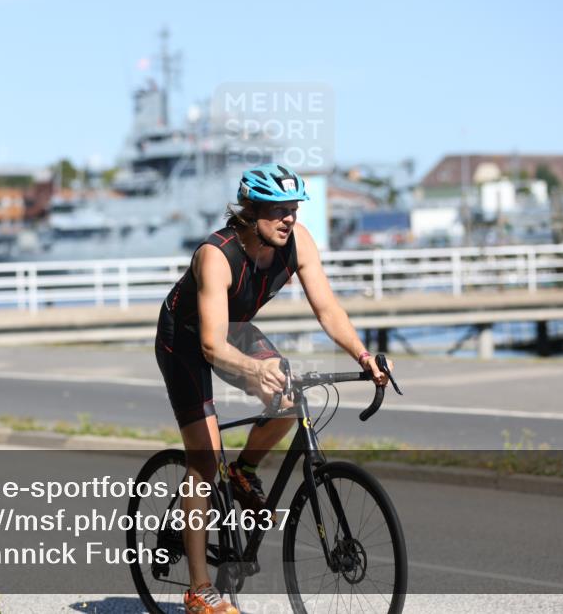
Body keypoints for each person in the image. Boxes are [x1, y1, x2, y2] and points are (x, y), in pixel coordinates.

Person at [155, 163, 389, 613]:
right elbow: (209, 344)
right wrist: (252, 369)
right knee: (203, 458)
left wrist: (364, 356)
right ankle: (199, 591)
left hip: (234, 328)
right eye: (279, 210)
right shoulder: (216, 255)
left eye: (294, 209)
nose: (289, 218)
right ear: (251, 211)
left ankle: (243, 471)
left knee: (287, 401)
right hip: (185, 340)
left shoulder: (298, 242)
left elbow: (328, 309)